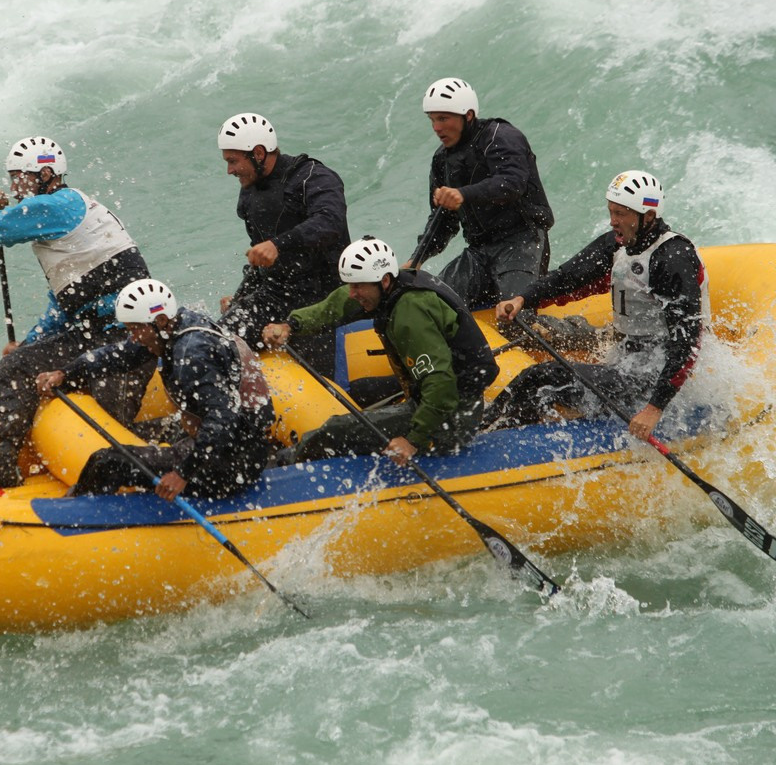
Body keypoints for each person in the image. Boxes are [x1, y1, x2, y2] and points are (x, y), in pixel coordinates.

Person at [0, 136, 155, 493]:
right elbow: (63, 308)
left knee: (109, 425)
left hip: (129, 340)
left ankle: (169, 447)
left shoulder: (58, 205)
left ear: (46, 174)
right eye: (11, 179)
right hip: (99, 335)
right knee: (18, 364)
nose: (14, 188)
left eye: (20, 178)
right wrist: (30, 344)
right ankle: (3, 466)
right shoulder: (67, 219)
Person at [485, 170, 707, 440]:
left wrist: (654, 408)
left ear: (648, 216)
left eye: (621, 214)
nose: (613, 221)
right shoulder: (619, 245)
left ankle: (491, 435)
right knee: (543, 375)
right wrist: (523, 298)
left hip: (653, 375)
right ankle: (497, 427)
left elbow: (687, 343)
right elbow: (567, 277)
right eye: (611, 212)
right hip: (628, 359)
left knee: (539, 377)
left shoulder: (672, 259)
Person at [38, 279, 275, 500]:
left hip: (230, 464)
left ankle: (76, 517)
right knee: (145, 431)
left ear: (160, 320)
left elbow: (223, 419)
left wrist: (182, 473)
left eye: (134, 329)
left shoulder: (193, 354)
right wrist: (66, 374)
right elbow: (120, 355)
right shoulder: (174, 326)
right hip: (233, 446)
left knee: (107, 460)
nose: (133, 337)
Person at [267, 238, 499, 466]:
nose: (352, 293)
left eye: (358, 286)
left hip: (452, 417)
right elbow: (337, 304)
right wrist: (292, 325)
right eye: (351, 285)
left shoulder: (410, 314)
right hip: (437, 402)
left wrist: (412, 441)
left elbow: (440, 385)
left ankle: (281, 468)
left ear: (384, 281)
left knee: (335, 430)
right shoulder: (390, 288)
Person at [216, 112, 351, 372]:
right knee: (219, 337)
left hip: (322, 295)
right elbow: (261, 264)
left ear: (257, 153)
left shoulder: (313, 177)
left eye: (233, 161)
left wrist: (278, 244)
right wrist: (240, 298)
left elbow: (330, 221)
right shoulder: (250, 193)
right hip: (277, 295)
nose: (229, 170)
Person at [408, 78, 554, 310]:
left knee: (516, 318)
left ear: (468, 115)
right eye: (432, 119)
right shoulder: (441, 160)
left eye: (443, 118)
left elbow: (512, 183)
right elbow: (443, 221)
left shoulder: (501, 136)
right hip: (478, 253)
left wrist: (463, 194)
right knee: (432, 308)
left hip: (522, 242)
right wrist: (416, 260)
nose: (436, 128)